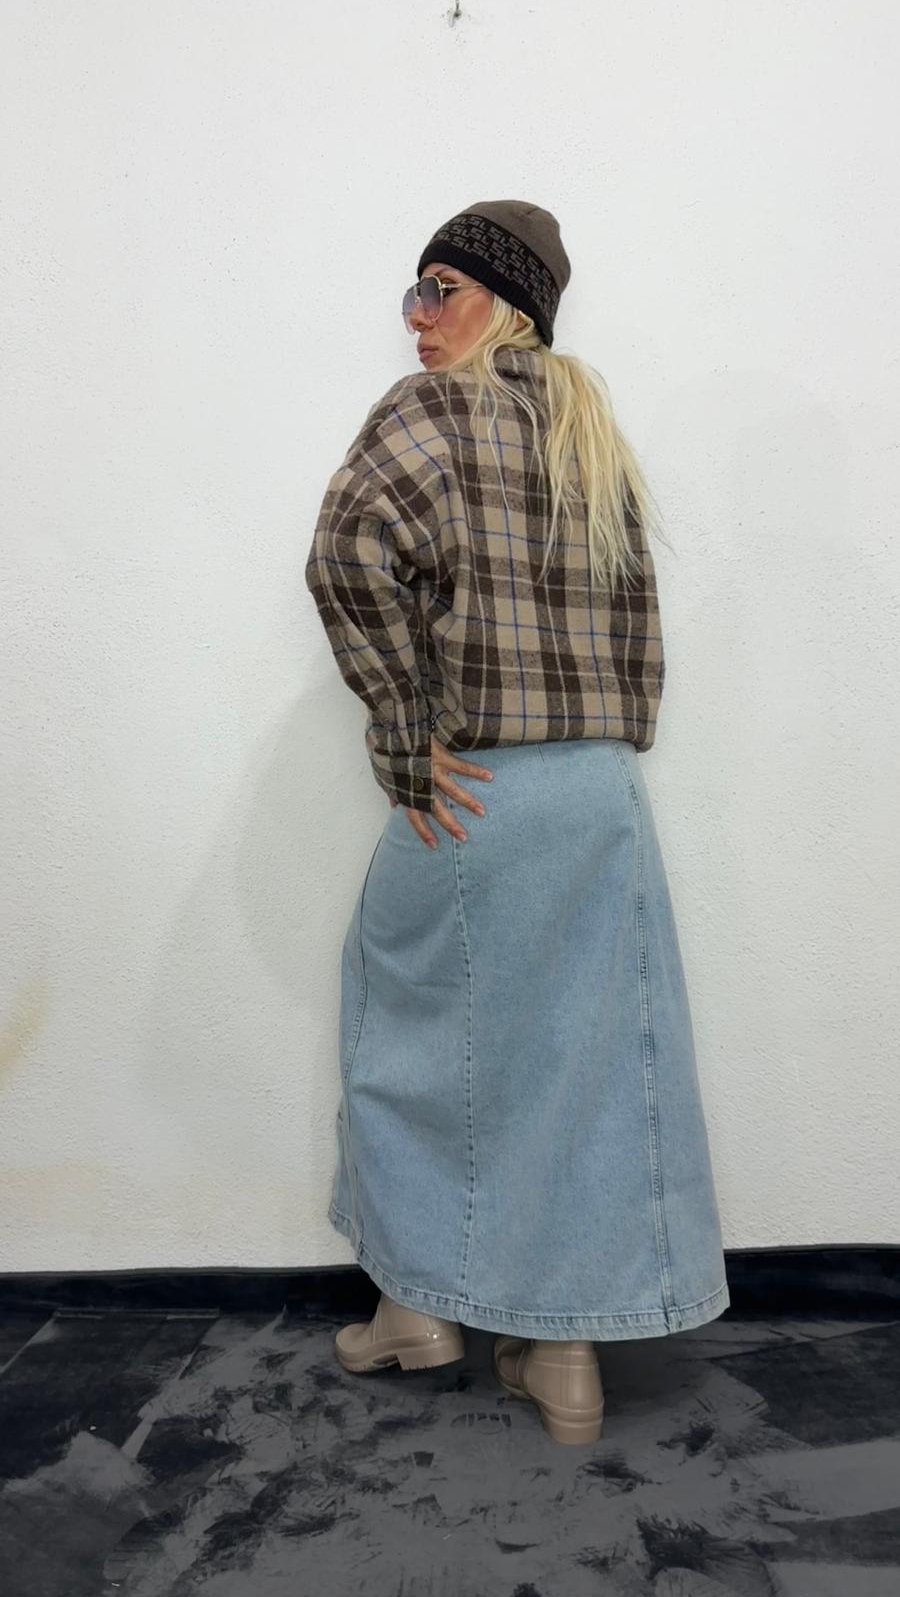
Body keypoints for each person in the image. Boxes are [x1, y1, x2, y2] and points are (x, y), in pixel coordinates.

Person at [304, 200, 730, 1445]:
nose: (416, 317)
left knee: (404, 1037)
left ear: (507, 301)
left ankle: (415, 1308)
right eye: (412, 292)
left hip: (481, 795)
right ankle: (565, 1357)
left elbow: (343, 553)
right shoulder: (594, 434)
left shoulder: (430, 412)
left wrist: (408, 739)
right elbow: (637, 633)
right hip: (598, 800)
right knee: (578, 1070)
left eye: (439, 287)